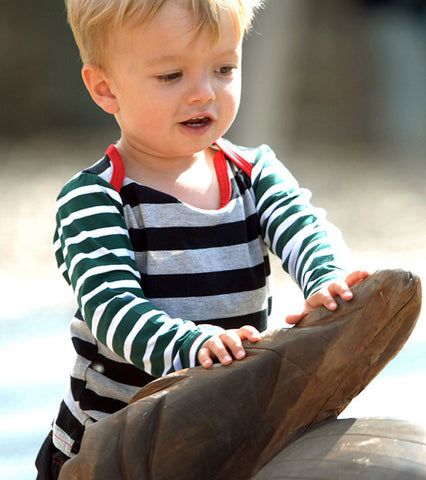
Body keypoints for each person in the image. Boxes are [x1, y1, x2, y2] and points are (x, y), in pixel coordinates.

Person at [36, 0, 368, 478]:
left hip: (230, 416)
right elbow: (112, 309)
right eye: (171, 75)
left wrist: (327, 277)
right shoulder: (97, 199)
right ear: (105, 88)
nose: (203, 94)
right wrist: (191, 345)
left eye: (224, 69)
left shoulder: (253, 173)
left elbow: (306, 227)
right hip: (116, 441)